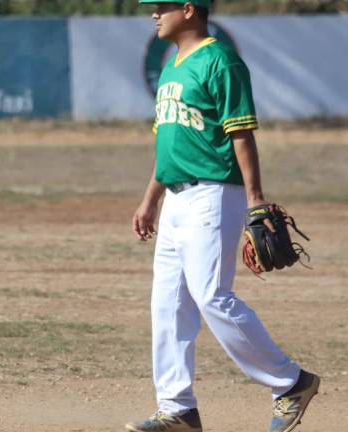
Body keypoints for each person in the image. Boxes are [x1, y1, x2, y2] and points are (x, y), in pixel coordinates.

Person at [127, 2, 318, 432]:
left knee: (212, 294)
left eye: (162, 7)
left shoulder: (220, 61)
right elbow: (168, 144)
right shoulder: (172, 65)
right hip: (175, 198)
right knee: (167, 304)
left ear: (189, 9)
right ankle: (177, 408)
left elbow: (241, 134)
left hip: (214, 193)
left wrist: (255, 201)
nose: (154, 15)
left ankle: (290, 382)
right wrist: (150, 199)